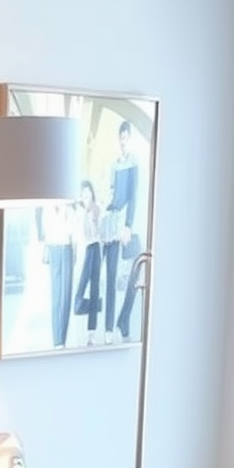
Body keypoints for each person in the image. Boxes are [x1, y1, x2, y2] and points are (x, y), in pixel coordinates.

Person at [100, 120, 139, 342]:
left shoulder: (133, 163)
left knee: (134, 275)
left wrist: (128, 224)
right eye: (121, 137)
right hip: (113, 222)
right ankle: (113, 324)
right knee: (112, 278)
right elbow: (112, 192)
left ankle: (123, 319)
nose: (123, 141)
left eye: (126, 137)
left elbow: (133, 194)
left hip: (127, 224)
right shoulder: (115, 164)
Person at [35, 200, 75, 348]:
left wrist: (74, 252)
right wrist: (44, 248)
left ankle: (62, 336)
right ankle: (57, 339)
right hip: (53, 247)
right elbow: (44, 230)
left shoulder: (68, 205)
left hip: (67, 247)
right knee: (56, 293)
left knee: (66, 292)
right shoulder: (45, 206)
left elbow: (72, 231)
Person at [72, 180, 102, 344]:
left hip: (95, 248)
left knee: (95, 289)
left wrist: (93, 218)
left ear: (92, 193)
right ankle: (79, 316)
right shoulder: (80, 213)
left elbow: (97, 233)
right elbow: (82, 235)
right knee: (82, 285)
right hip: (85, 250)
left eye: (88, 193)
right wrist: (84, 215)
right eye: (83, 195)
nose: (86, 197)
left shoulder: (97, 210)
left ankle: (92, 331)